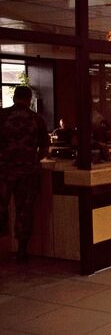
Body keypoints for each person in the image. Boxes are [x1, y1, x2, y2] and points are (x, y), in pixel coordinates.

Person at [0, 86, 49, 262]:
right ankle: (22, 250)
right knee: (24, 210)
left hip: (3, 170)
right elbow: (44, 149)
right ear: (29, 100)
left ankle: (2, 245)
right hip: (27, 172)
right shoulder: (37, 119)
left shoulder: (2, 116)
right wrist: (31, 159)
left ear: (14, 98)